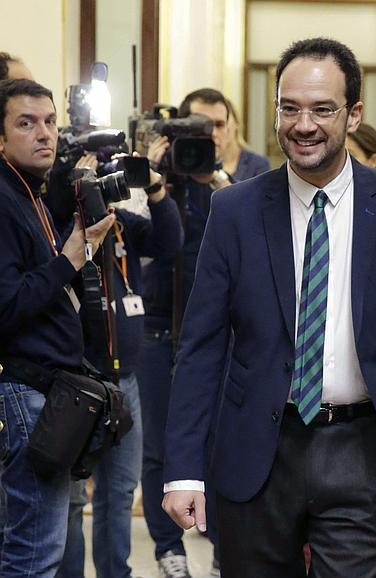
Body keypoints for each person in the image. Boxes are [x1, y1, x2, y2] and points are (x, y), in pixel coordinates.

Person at [162, 37, 376, 578]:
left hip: (360, 449)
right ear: (275, 110)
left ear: (354, 114)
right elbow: (201, 346)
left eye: (323, 109)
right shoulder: (234, 211)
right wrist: (182, 468)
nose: (305, 124)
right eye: (290, 107)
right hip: (256, 448)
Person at [50, 145, 183, 578]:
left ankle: (115, 573)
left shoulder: (123, 225)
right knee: (71, 499)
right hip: (73, 384)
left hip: (125, 381)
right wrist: (70, 192)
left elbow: (169, 242)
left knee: (121, 491)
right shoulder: (56, 229)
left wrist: (157, 187)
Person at [0, 78, 114, 577]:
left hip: (46, 391)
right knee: (33, 556)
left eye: (49, 121)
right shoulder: (4, 199)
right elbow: (8, 304)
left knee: (40, 549)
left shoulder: (31, 193)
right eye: (26, 123)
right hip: (26, 392)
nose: (43, 133)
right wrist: (70, 258)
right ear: (1, 138)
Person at [137, 88, 235, 578]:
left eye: (216, 126)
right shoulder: (159, 178)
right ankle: (167, 547)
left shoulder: (248, 175)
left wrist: (215, 177)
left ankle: (222, 541)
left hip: (220, 333)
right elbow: (133, 238)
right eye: (197, 130)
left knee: (220, 441)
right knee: (158, 445)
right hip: (155, 326)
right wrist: (146, 177)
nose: (208, 136)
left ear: (231, 128)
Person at [222, 99, 270, 181]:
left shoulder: (258, 164)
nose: (218, 130)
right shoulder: (202, 164)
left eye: (222, 122)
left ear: (236, 122)